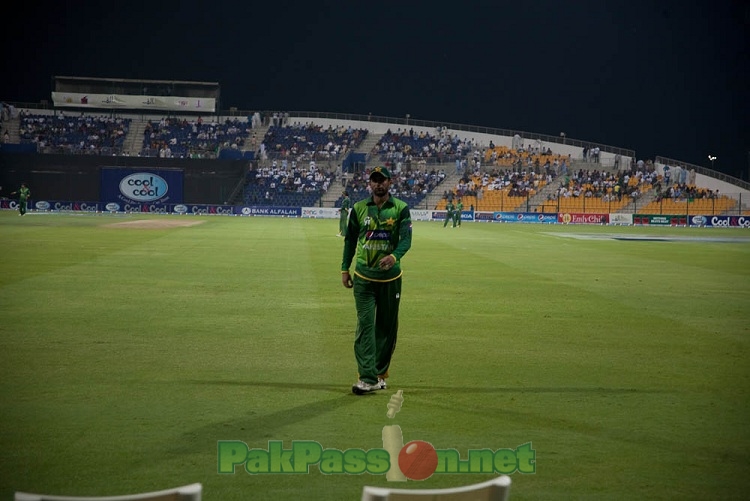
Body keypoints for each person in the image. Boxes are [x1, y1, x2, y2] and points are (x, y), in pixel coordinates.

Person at [341, 166, 412, 395]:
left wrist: (394, 256)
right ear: (369, 184)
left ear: (390, 182)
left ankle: (380, 374)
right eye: (374, 180)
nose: (378, 184)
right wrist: (345, 268)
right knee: (365, 326)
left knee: (386, 328)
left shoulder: (400, 208)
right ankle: (367, 377)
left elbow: (406, 240)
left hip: (391, 279)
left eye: (382, 180)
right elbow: (350, 241)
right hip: (363, 278)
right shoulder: (359, 208)